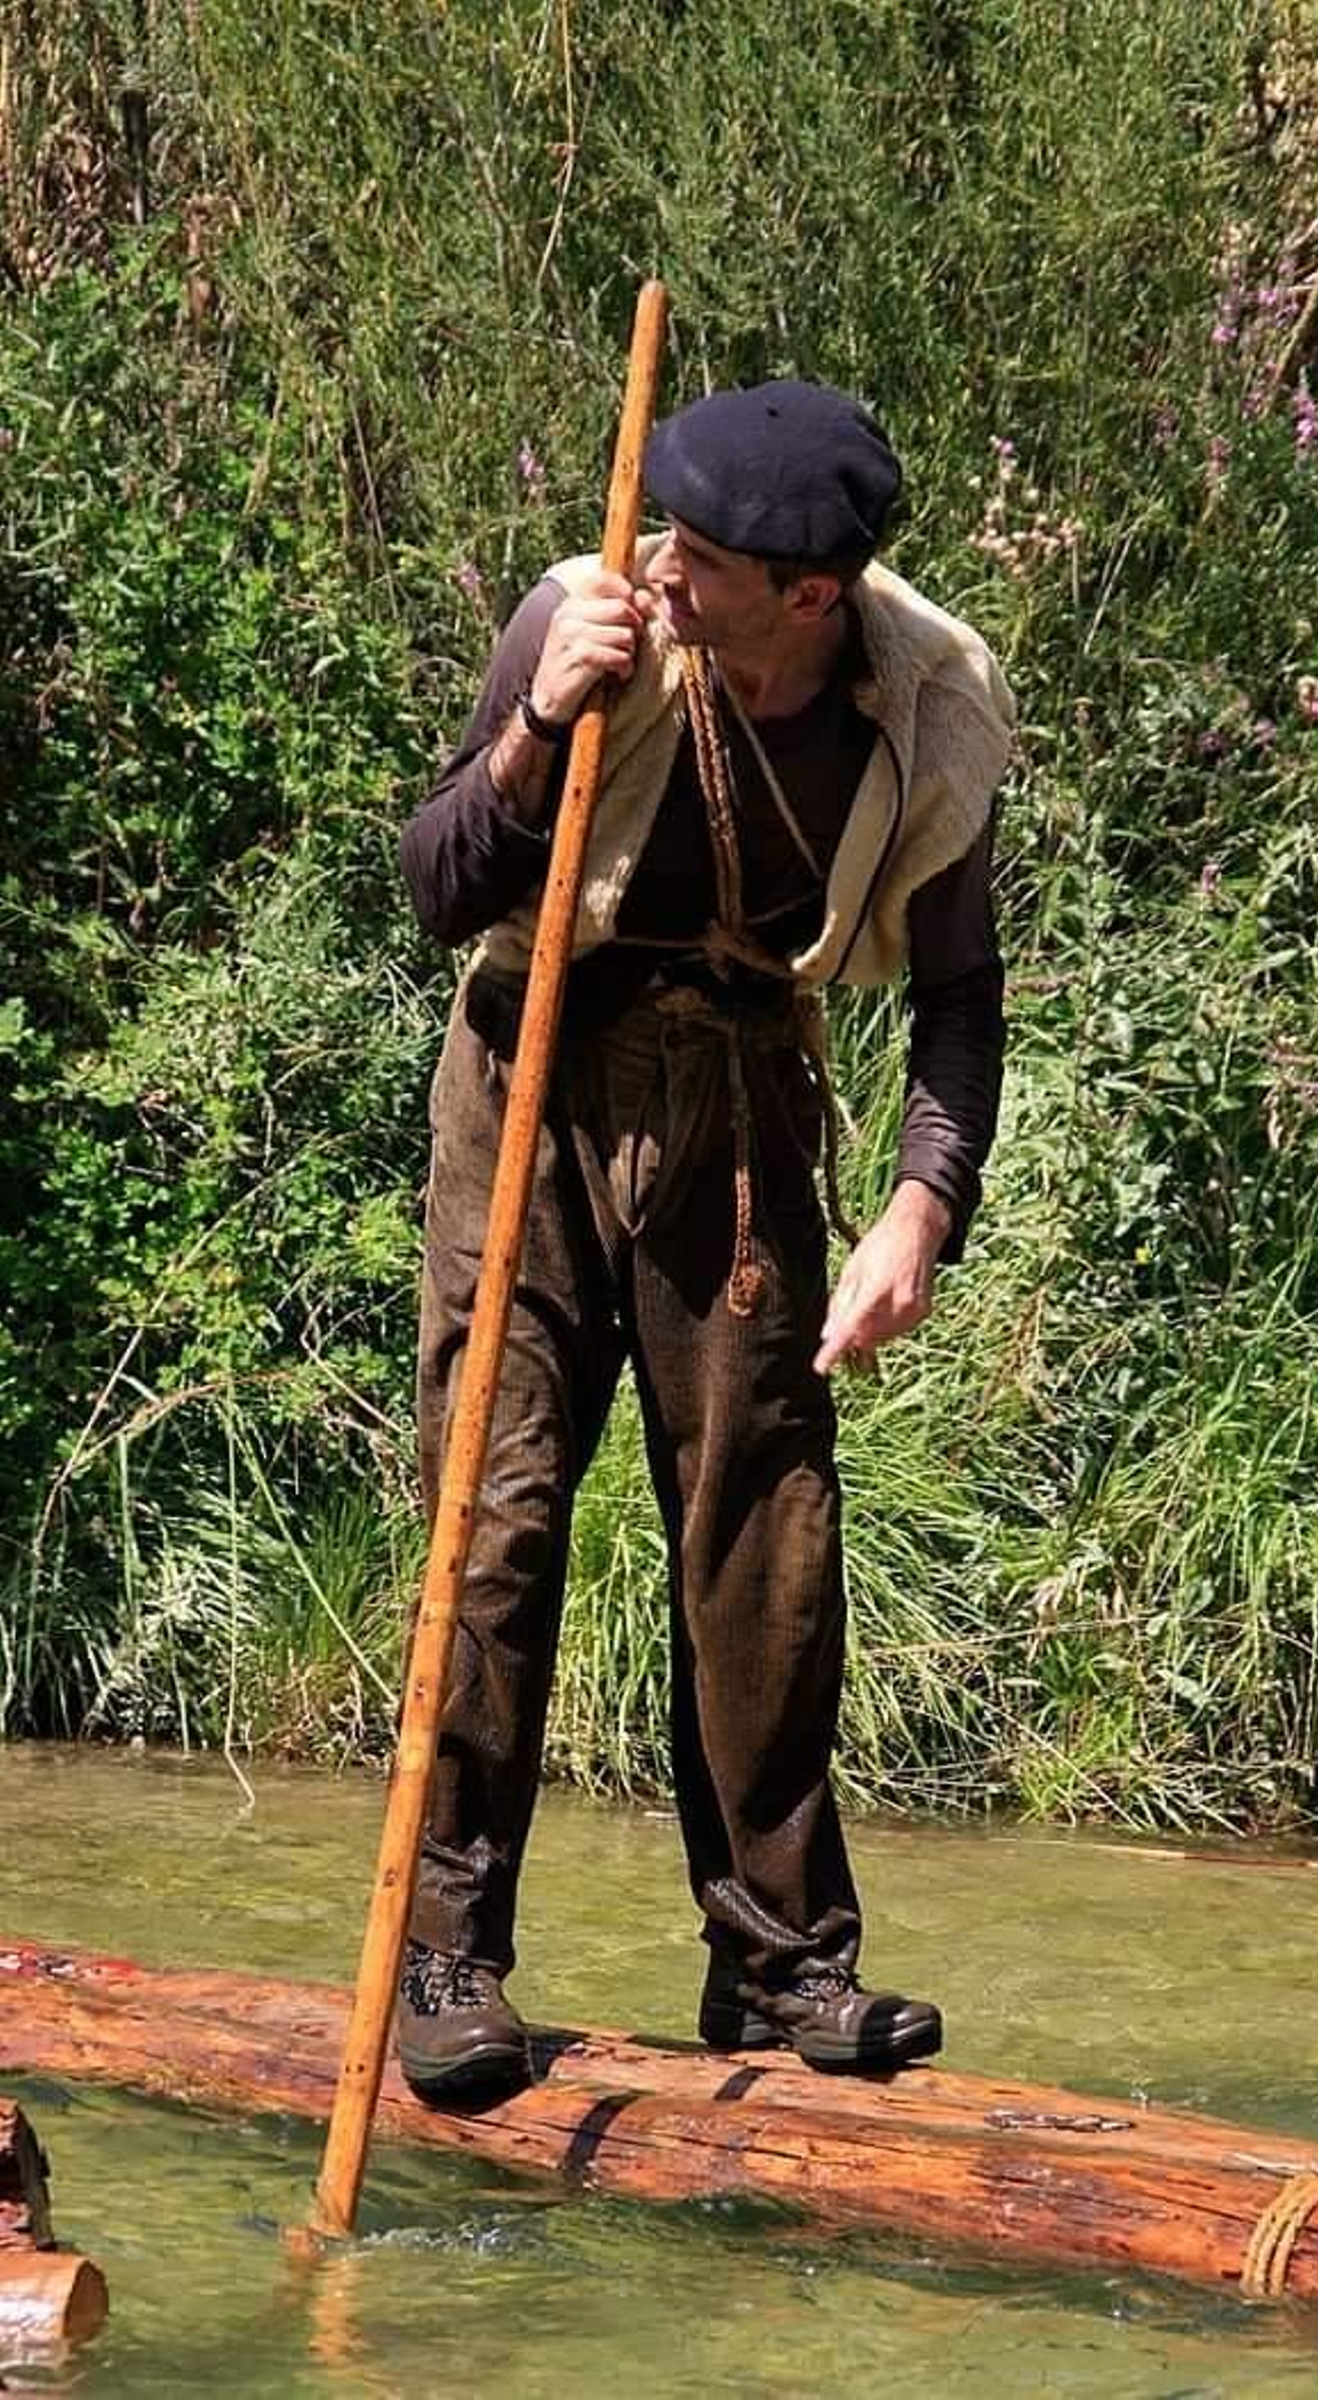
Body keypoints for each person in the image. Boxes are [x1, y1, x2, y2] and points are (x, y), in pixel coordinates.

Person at [395, 379, 1014, 2101]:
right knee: (495, 1508)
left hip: (741, 1118)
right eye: (664, 528)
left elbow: (960, 992)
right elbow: (439, 883)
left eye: (705, 551)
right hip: (532, 1076)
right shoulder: (585, 614)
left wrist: (922, 1204)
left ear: (812, 595)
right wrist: (535, 724)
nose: (658, 565)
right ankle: (449, 1949)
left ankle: (782, 1966)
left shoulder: (925, 702)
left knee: (763, 1527)